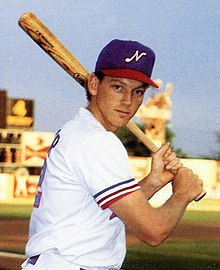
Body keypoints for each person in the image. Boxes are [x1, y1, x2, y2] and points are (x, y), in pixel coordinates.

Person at [21, 39, 203, 270]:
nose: (128, 101)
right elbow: (153, 232)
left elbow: (103, 214)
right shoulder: (96, 140)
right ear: (94, 85)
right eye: (118, 87)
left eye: (137, 91)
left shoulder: (79, 131)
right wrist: (182, 194)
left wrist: (154, 181)